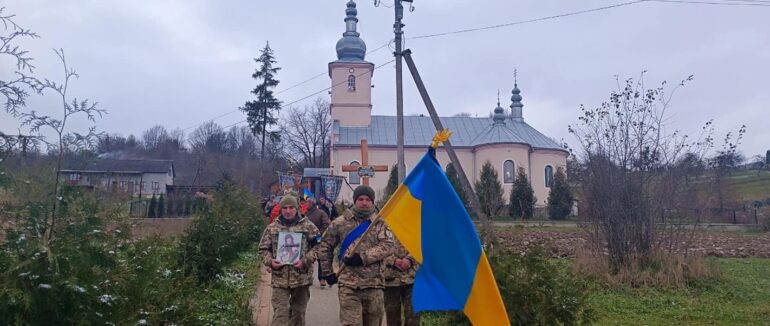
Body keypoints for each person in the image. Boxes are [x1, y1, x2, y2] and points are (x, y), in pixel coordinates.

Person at [317, 185, 395, 326]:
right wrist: (328, 272)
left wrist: (363, 258)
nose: (364, 203)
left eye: (367, 199)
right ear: (355, 200)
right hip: (349, 286)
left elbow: (388, 246)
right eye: (360, 199)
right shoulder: (339, 223)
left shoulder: (381, 223)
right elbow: (325, 247)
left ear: (372, 201)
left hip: (374, 285)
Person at [258, 195, 321, 326]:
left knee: (298, 315)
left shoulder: (309, 227)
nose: (288, 211)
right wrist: (270, 262)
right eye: (285, 208)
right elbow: (263, 249)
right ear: (280, 209)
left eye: (291, 207)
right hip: (280, 279)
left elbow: (319, 246)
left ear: (297, 208)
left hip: (301, 279)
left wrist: (305, 260)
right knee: (280, 316)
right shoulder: (272, 228)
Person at [383, 239, 420, 326]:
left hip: (412, 279)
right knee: (392, 319)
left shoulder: (414, 226)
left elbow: (422, 243)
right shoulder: (381, 226)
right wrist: (392, 260)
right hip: (390, 280)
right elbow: (376, 247)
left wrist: (410, 260)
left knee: (413, 318)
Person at [305, 197, 331, 286]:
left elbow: (326, 225)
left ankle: (322, 278)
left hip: (320, 239)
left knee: (321, 258)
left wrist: (319, 234)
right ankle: (308, 276)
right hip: (308, 239)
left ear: (312, 203)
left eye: (307, 203)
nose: (306, 205)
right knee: (307, 257)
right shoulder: (305, 214)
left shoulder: (321, 213)